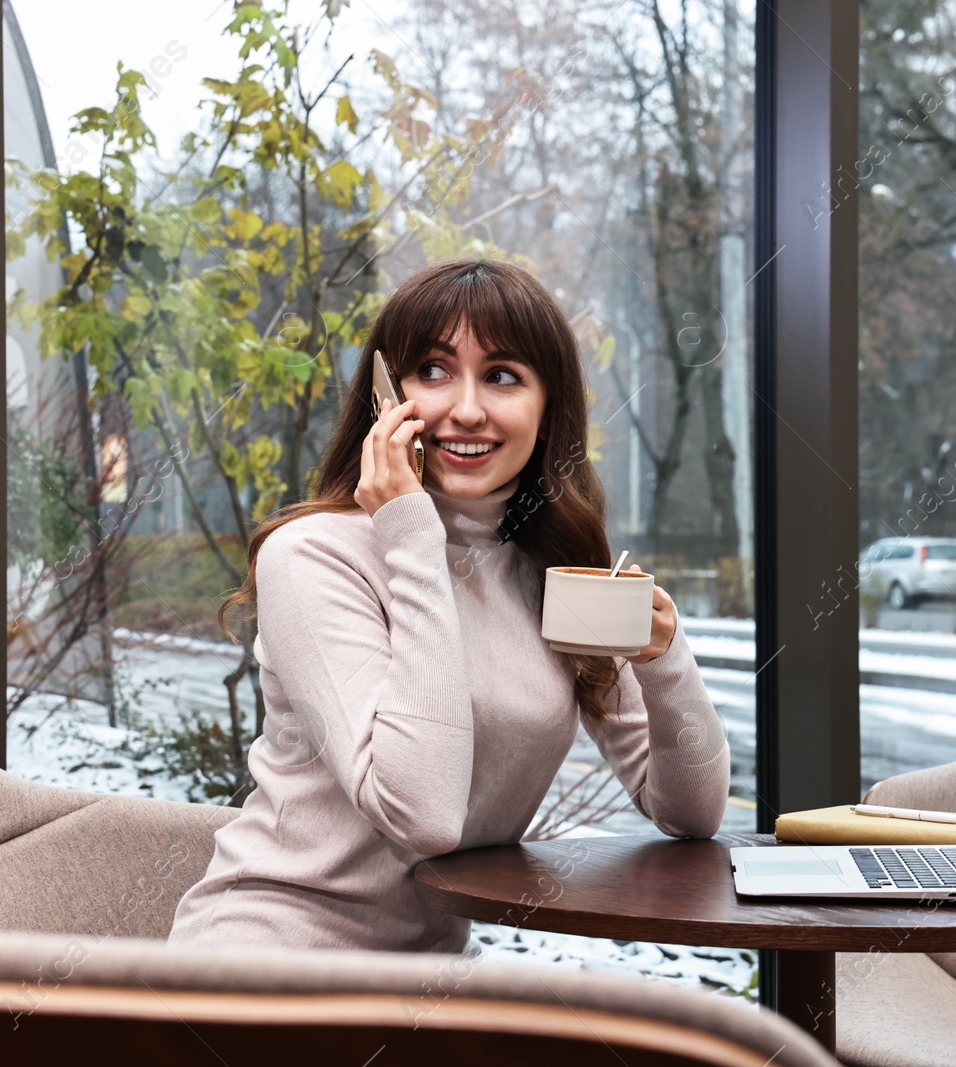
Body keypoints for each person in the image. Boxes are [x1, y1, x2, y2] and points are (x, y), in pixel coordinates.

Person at [167, 258, 731, 954]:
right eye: (432, 370)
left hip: (432, 975)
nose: (465, 409)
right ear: (384, 398)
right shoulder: (313, 555)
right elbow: (424, 814)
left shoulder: (549, 573)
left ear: (547, 407)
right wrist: (410, 533)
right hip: (275, 964)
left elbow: (691, 813)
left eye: (501, 375)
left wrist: (664, 662)